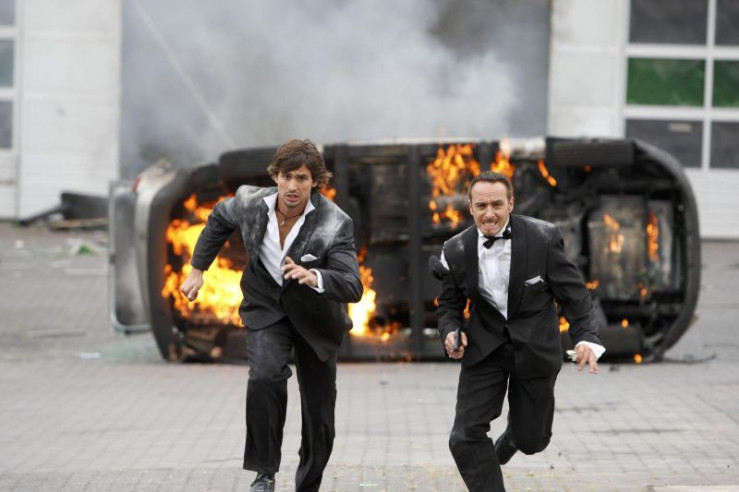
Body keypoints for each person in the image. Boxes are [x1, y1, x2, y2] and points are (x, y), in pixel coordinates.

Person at [179, 139, 363, 492]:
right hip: (267, 307)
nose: (293, 186)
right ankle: (264, 474)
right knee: (264, 376)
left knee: (319, 416)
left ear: (315, 182)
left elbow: (353, 284)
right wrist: (198, 269)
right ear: (275, 176)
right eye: (287, 176)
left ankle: (308, 484)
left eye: (302, 178)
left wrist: (316, 276)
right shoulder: (250, 203)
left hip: (315, 319)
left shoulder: (334, 222)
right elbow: (218, 218)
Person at [431, 170, 604, 491]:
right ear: (470, 207)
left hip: (535, 347)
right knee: (464, 437)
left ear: (511, 203)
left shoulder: (543, 238)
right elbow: (449, 305)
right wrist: (451, 331)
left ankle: (514, 436)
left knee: (532, 440)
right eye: (481, 206)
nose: (489, 213)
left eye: (497, 204)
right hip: (486, 348)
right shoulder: (455, 249)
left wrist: (585, 338)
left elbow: (575, 295)